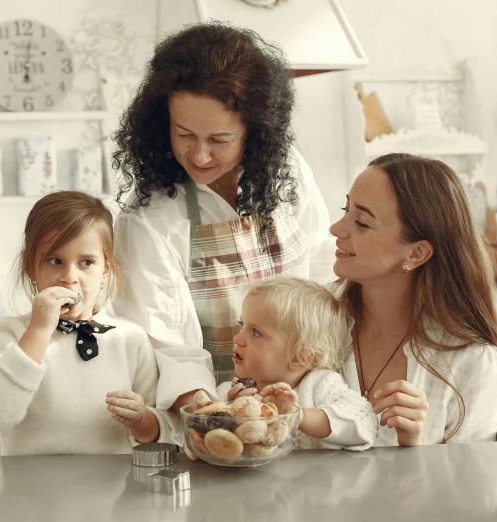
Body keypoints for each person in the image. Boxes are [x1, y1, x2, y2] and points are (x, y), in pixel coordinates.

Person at [111, 23, 333, 430]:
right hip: (215, 420)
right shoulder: (149, 220)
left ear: (255, 131)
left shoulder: (290, 177)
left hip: (310, 406)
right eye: (184, 134)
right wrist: (219, 416)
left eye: (219, 139)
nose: (198, 155)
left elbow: (321, 282)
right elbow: (171, 349)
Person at [0, 191, 172, 455]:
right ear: (31, 268)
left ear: (105, 271)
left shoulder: (130, 339)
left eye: (86, 262)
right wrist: (39, 330)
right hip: (29, 492)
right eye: (55, 261)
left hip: (114, 491)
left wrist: (142, 418)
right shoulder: (9, 333)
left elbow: (160, 436)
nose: (69, 277)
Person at [330, 153, 497, 446]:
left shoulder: (472, 362)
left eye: (361, 222)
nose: (336, 228)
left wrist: (420, 445)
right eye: (345, 209)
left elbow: (477, 486)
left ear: (415, 254)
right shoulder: (309, 319)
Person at [217, 277, 378, 451]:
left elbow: (364, 424)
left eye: (256, 332)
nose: (237, 338)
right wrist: (232, 416)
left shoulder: (320, 385)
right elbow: (211, 441)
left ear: (298, 358)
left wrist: (297, 415)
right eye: (242, 325)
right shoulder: (228, 393)